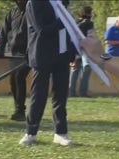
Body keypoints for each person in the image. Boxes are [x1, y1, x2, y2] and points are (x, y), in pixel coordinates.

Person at [19, 0, 76, 146]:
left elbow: (68, 31)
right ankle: (30, 132)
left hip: (62, 54)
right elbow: (42, 30)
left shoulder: (62, 3)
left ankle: (60, 132)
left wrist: (71, 51)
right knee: (38, 95)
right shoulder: (35, 3)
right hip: (42, 54)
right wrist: (63, 21)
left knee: (61, 95)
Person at [0, 0, 30, 121]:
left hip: (28, 53)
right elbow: (4, 32)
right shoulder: (12, 12)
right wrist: (0, 48)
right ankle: (18, 109)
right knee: (12, 80)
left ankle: (20, 110)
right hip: (15, 53)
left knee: (19, 77)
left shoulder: (32, 11)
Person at [69, 6, 94, 97]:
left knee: (75, 70)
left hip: (75, 48)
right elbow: (90, 36)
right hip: (85, 49)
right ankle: (82, 92)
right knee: (86, 69)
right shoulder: (89, 23)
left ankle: (72, 92)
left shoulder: (76, 22)